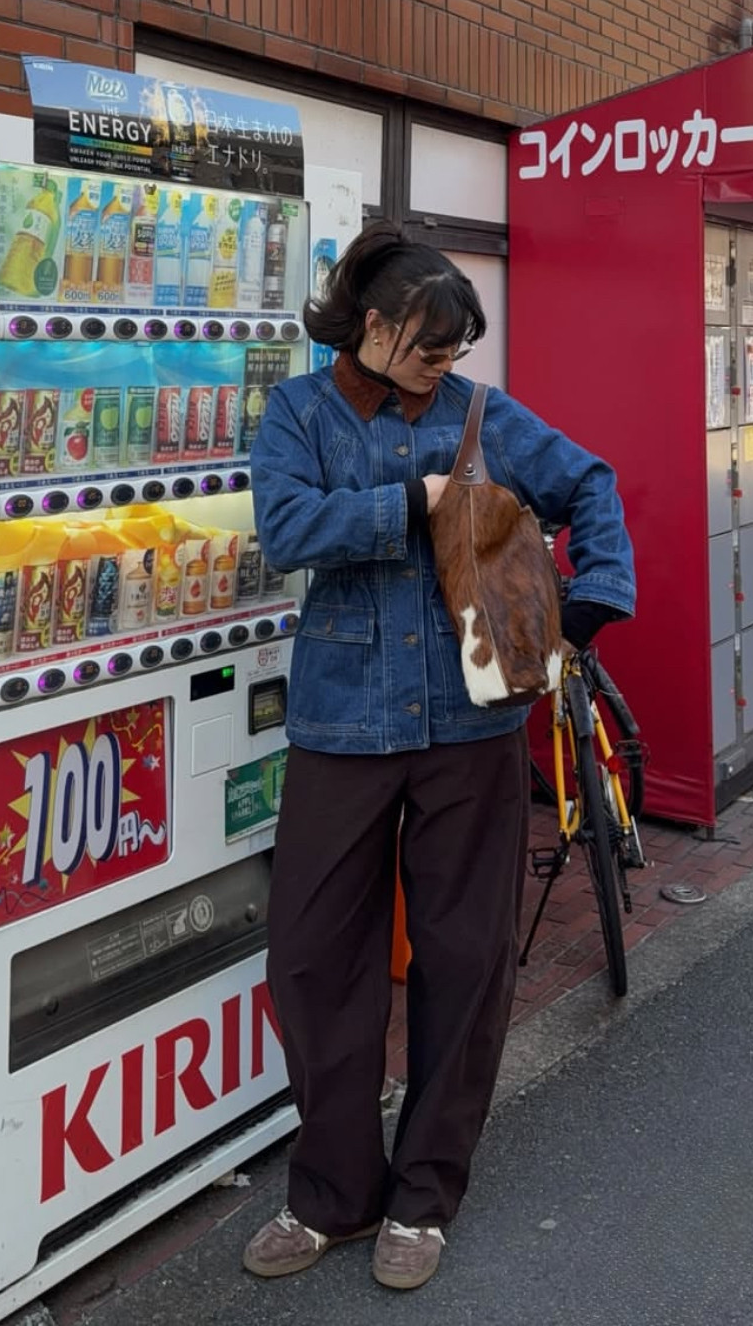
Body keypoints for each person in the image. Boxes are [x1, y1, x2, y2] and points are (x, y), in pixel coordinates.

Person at [243, 222, 635, 1291]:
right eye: (428, 346)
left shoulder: (479, 414)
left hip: (473, 726)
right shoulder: (298, 413)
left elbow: (590, 480)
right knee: (315, 960)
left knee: (465, 960)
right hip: (341, 728)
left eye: (457, 349)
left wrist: (594, 595)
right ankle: (331, 1191)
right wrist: (408, 504)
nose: (444, 368)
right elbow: (285, 528)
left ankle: (425, 1194)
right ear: (371, 327)